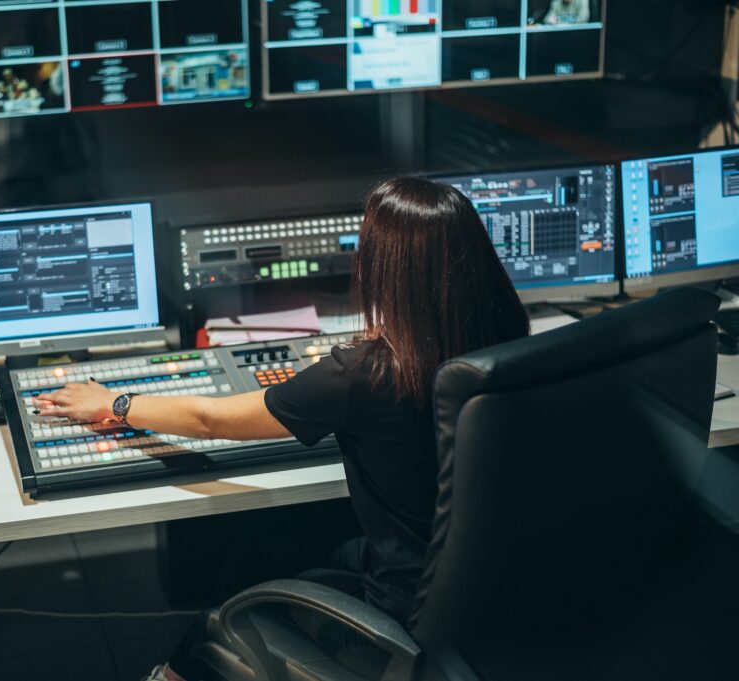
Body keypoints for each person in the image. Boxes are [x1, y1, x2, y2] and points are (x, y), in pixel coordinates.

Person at [35, 177, 531, 680]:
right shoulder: (511, 340)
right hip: (497, 591)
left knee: (224, 595)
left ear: (384, 271)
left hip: (408, 613)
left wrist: (115, 402)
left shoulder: (363, 374)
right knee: (279, 534)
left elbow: (212, 420)